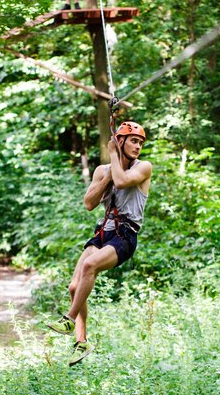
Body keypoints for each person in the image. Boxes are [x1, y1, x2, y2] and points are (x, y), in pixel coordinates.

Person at [47, 121, 152, 366]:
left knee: (89, 266)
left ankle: (69, 319)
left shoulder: (144, 167)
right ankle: (81, 343)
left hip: (125, 235)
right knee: (75, 287)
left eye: (140, 142)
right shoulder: (103, 170)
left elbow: (124, 181)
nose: (138, 146)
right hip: (103, 231)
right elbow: (89, 203)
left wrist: (114, 154)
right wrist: (106, 176)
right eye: (133, 141)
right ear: (120, 140)